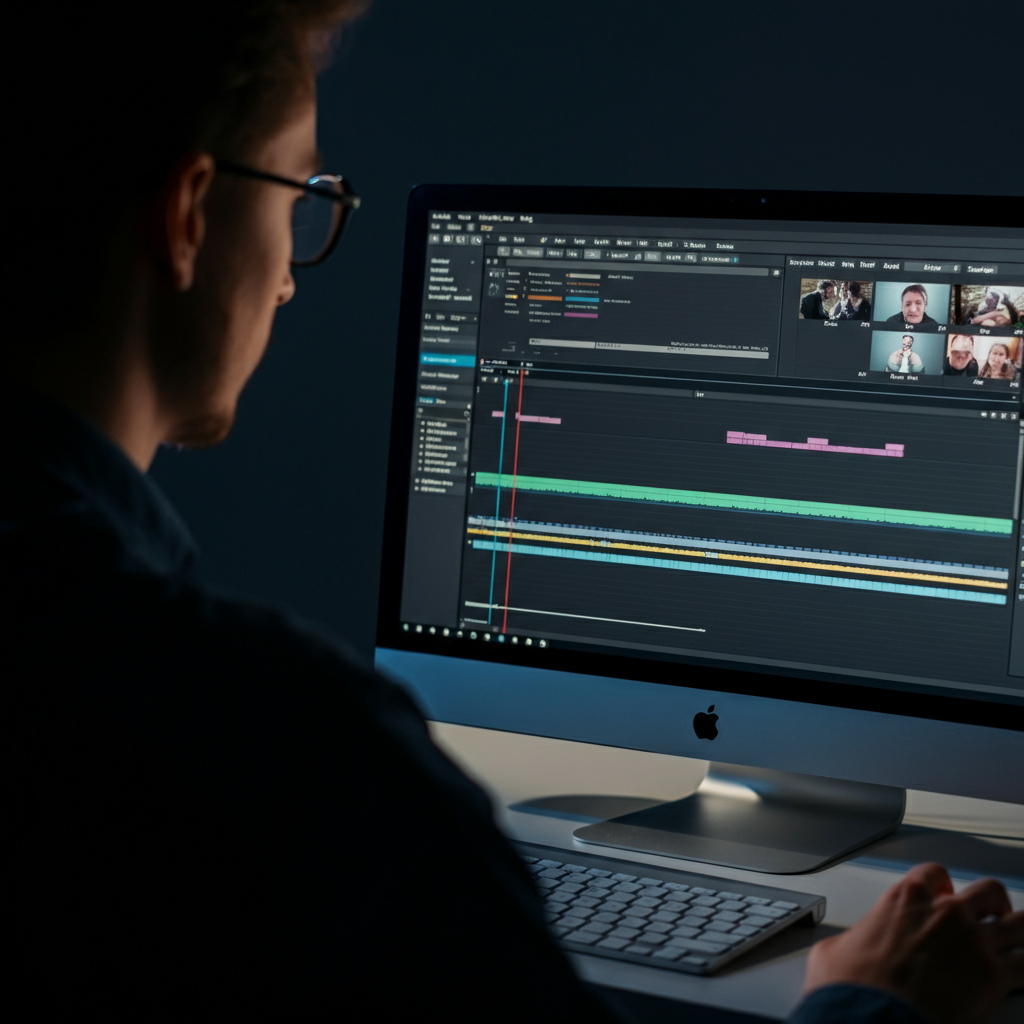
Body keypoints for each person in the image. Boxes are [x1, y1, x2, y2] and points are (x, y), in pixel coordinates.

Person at [5, 5, 1023, 1022]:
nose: (284, 278)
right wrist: (870, 1005)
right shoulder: (294, 759)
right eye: (299, 195)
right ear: (189, 214)